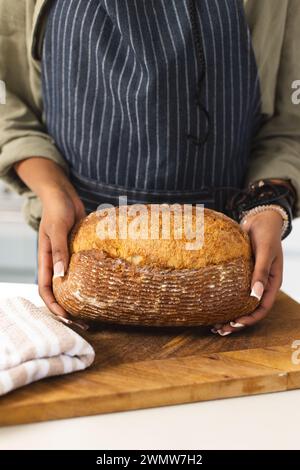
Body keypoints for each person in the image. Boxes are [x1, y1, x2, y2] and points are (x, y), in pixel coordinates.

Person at [0, 0, 299, 336]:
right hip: (79, 262)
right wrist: (54, 193)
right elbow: (5, 98)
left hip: (226, 274)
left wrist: (269, 204)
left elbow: (291, 121)